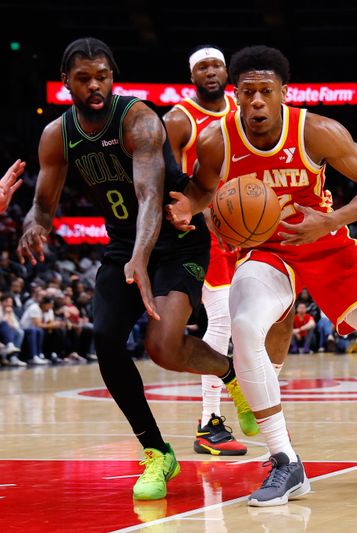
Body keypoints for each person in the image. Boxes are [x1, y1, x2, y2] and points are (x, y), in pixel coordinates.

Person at [166, 45, 357, 506]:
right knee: (246, 326)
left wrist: (330, 220)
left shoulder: (316, 131)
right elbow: (203, 191)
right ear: (236, 93)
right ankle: (285, 462)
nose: (255, 102)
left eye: (265, 92)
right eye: (246, 92)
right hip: (268, 252)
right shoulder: (216, 141)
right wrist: (189, 210)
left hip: (328, 248)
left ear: (282, 94)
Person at [17, 38, 255, 500]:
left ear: (113, 76)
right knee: (105, 339)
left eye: (102, 76)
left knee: (163, 346)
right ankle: (156, 453)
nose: (95, 86)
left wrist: (142, 258)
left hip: (176, 234)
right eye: (84, 78)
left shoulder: (139, 119)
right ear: (67, 81)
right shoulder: (57, 134)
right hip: (124, 242)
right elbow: (44, 204)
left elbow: (149, 195)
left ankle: (228, 373)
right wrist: (33, 225)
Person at [164, 44, 292, 456]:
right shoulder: (180, 118)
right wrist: (181, 209)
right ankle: (210, 421)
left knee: (252, 318)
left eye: (217, 64)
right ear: (192, 75)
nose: (211, 71)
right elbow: (159, 171)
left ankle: (241, 402)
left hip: (241, 229)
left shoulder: (244, 115)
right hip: (203, 228)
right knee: (222, 318)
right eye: (202, 66)